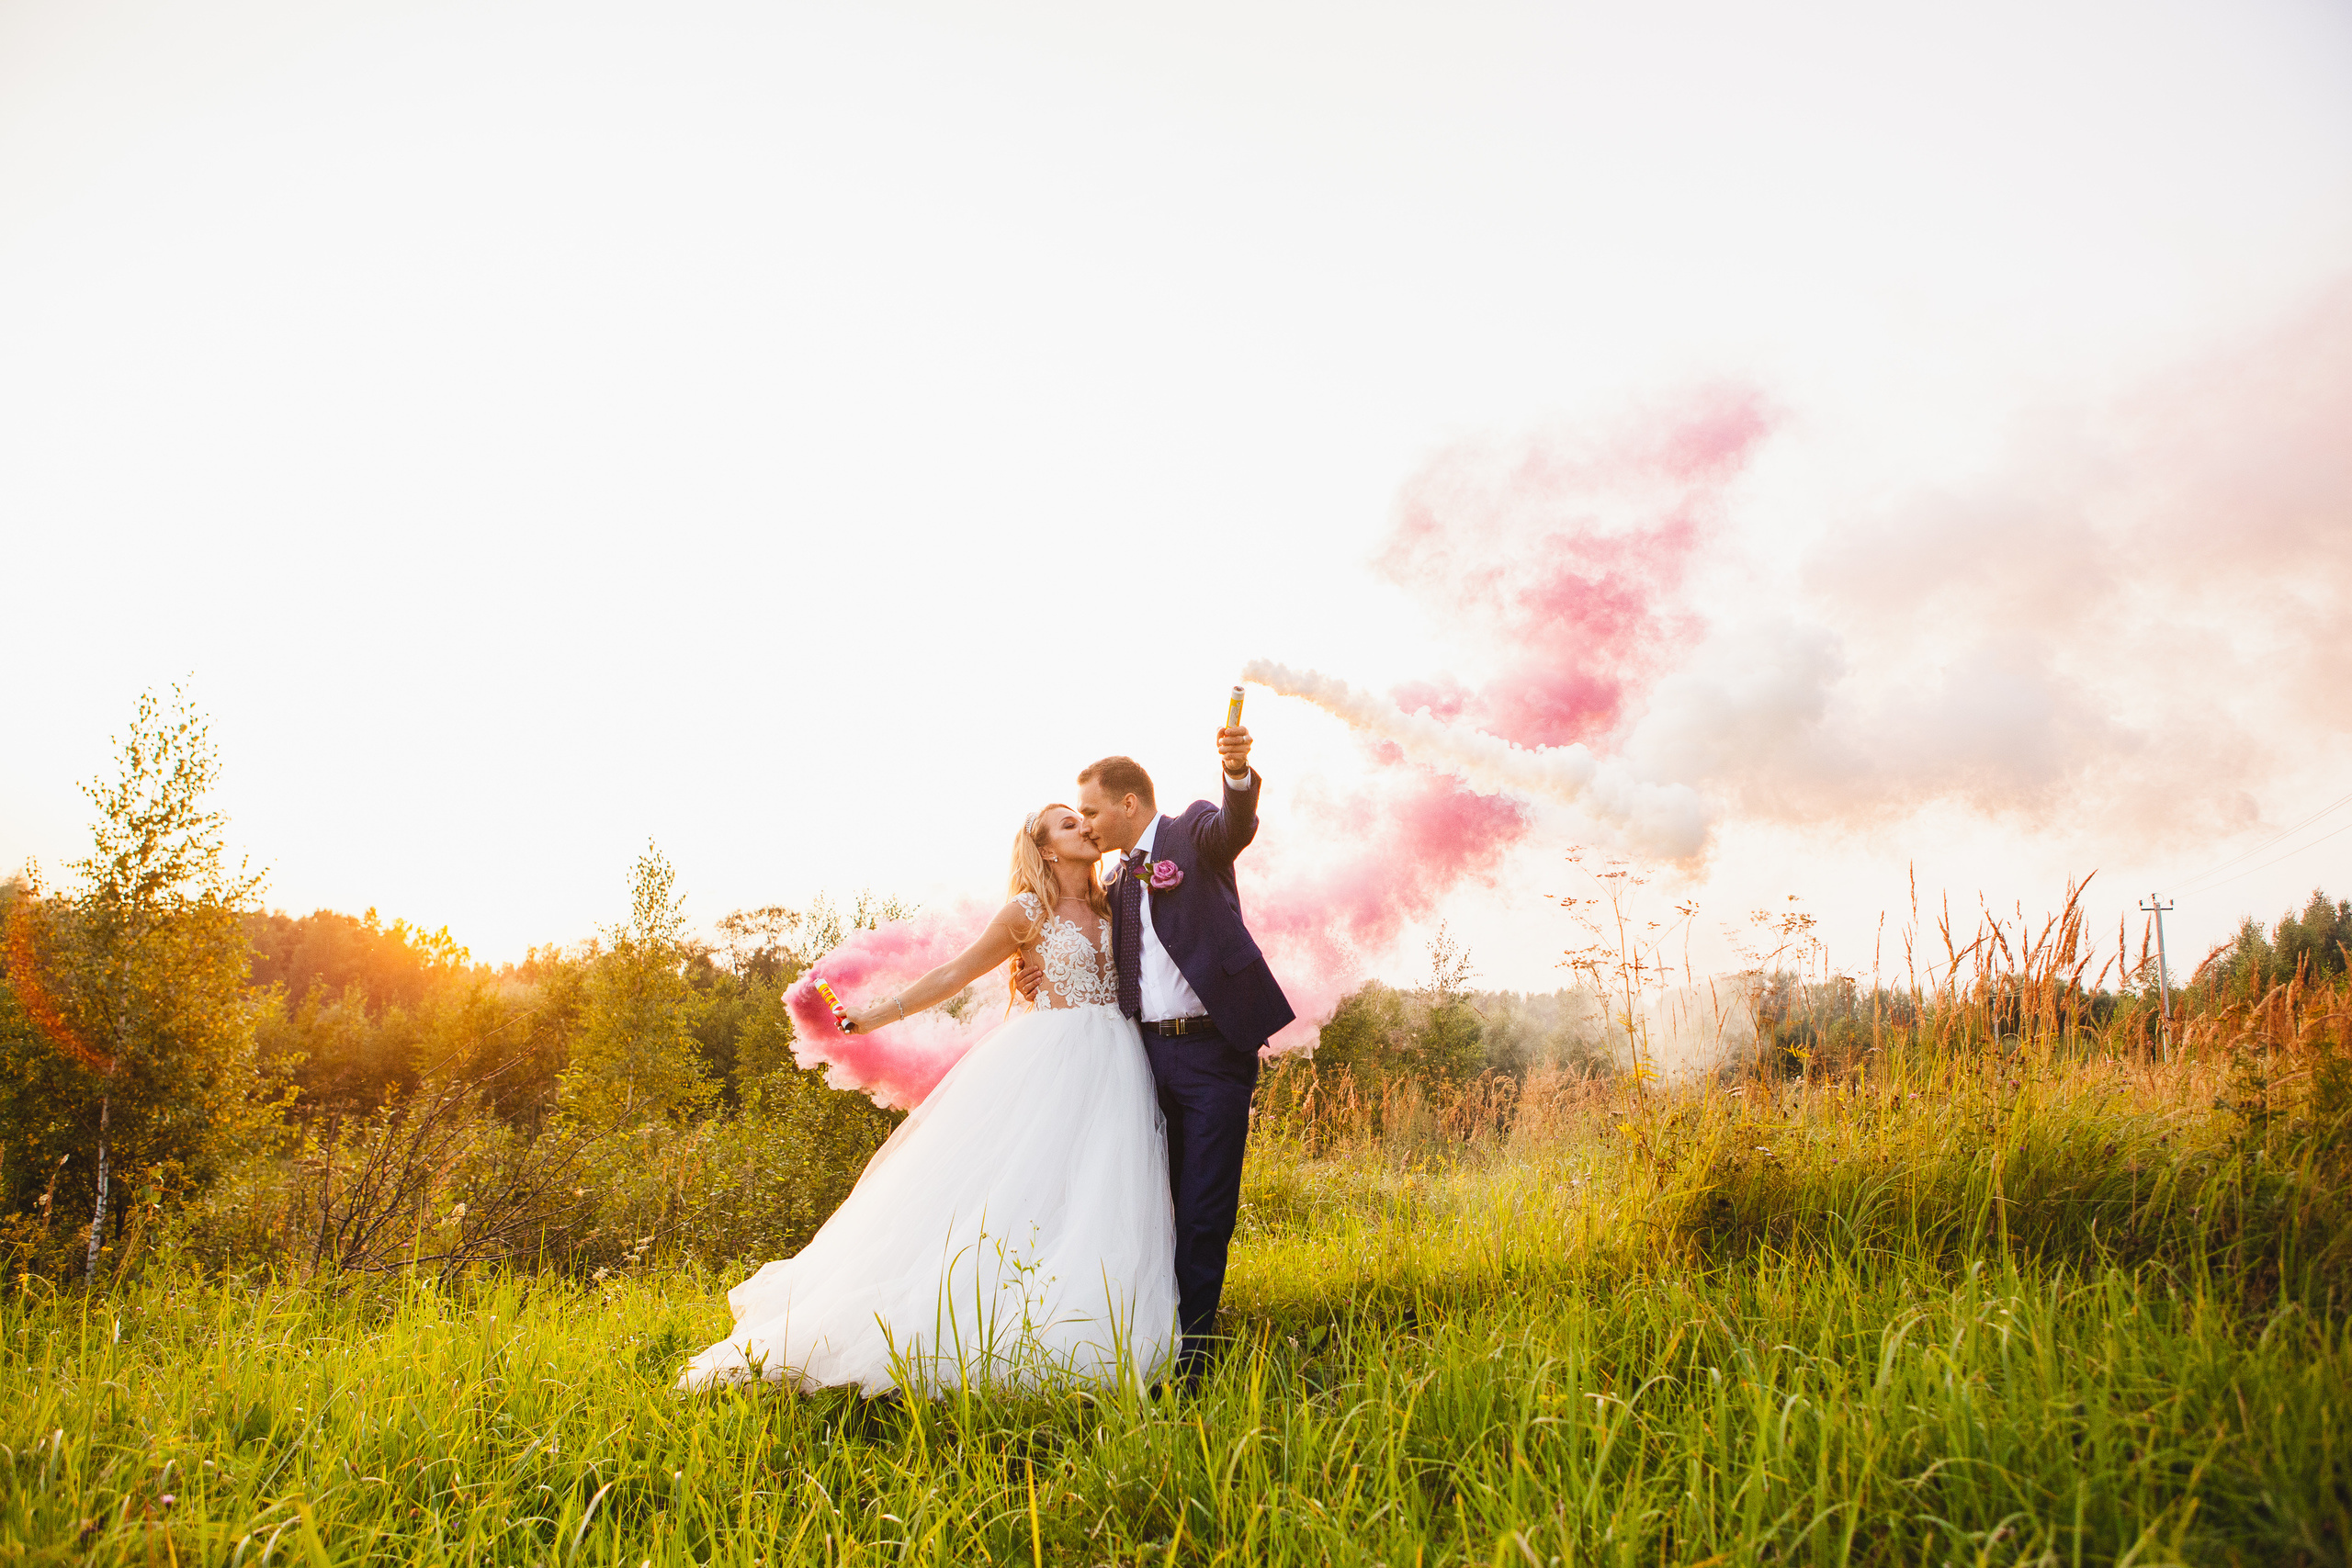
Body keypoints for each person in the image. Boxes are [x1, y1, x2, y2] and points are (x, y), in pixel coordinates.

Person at [673, 803, 1176, 1396]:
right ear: (1044, 850)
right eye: (1068, 824)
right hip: (1054, 1057)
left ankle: (1098, 1304)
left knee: (1104, 1191)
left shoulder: (1113, 898)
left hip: (1119, 1058)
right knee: (1022, 1190)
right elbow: (955, 972)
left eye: (1082, 819)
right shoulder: (1027, 912)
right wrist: (874, 1015)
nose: (1085, 828)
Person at [1073, 722, 1295, 1388]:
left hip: (1210, 1055)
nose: (1085, 823)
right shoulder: (1113, 878)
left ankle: (1193, 1359)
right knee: (1149, 1203)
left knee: (1203, 1208)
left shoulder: (1191, 831)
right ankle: (1152, 1333)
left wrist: (1236, 772)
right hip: (1141, 1057)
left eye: (1091, 810)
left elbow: (1234, 825)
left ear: (1129, 805)